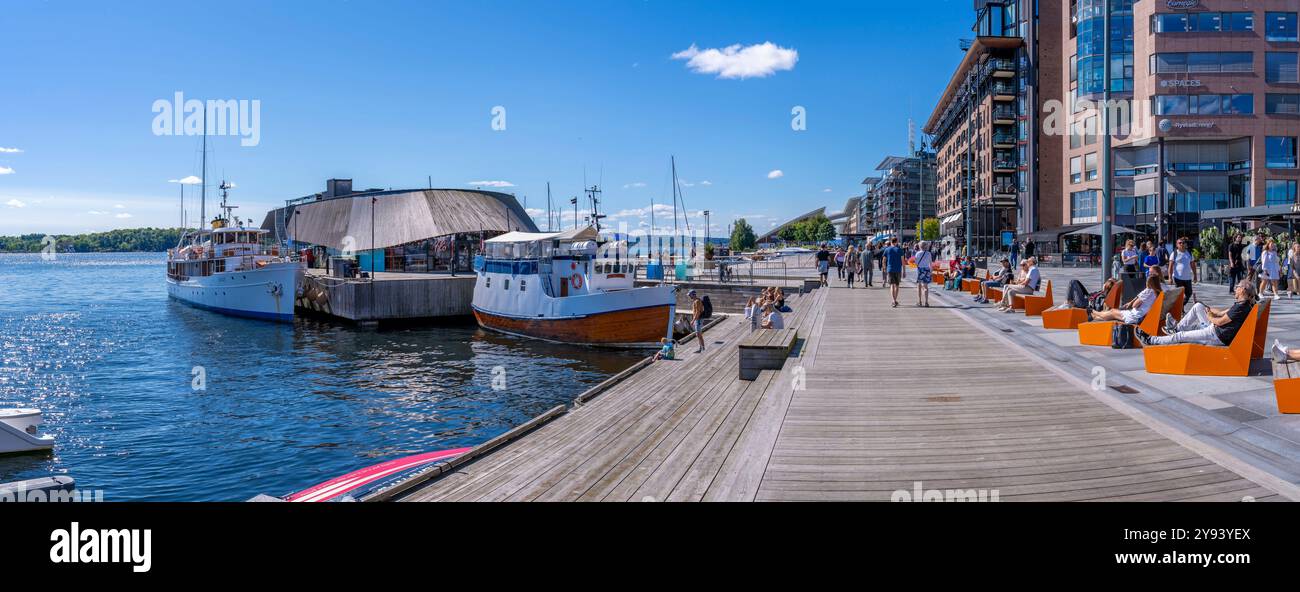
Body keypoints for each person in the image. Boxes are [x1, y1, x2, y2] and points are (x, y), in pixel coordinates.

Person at [1137, 280, 1256, 347]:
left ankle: (1151, 340)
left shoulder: (1241, 307)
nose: (1235, 288)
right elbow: (1221, 313)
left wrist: (1210, 316)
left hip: (1216, 336)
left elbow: (1219, 321)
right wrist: (1206, 308)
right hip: (1215, 330)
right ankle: (1176, 328)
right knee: (1198, 307)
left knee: (1181, 336)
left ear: (1243, 290)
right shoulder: (1241, 304)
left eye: (1237, 287)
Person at [1090, 274, 1162, 325]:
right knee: (1112, 314)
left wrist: (1135, 303)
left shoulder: (1148, 291)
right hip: (1141, 316)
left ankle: (1093, 312)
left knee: (1112, 312)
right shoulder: (1158, 292)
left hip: (1135, 316)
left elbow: (1135, 305)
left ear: (1149, 282)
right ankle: (1094, 316)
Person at [1167, 238, 1194, 308]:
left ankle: (1179, 307)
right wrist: (1170, 277)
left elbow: (1193, 265)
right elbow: (1170, 266)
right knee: (1179, 295)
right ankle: (1179, 309)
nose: (1182, 244)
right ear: (1177, 245)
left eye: (1183, 243)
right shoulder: (1174, 253)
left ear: (1186, 244)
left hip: (1187, 278)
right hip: (1177, 278)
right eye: (1180, 243)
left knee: (1189, 293)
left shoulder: (1189, 253)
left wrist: (1195, 276)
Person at [883, 237, 904, 308]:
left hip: (890, 269)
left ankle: (893, 300)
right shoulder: (900, 250)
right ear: (896, 241)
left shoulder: (887, 249)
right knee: (897, 285)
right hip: (898, 269)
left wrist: (884, 268)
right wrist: (904, 270)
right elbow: (903, 261)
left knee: (892, 285)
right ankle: (895, 300)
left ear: (891, 242)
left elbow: (884, 260)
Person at [913, 241, 933, 307]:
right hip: (927, 269)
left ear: (919, 246)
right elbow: (930, 264)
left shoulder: (917, 253)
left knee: (919, 286)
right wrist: (931, 272)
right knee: (926, 286)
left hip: (920, 270)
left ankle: (920, 301)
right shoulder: (929, 253)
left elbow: (915, 263)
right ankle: (926, 302)